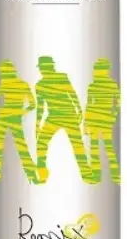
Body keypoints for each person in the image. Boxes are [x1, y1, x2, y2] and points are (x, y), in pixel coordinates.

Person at [35, 56, 93, 184]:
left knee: (76, 145)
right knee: (43, 143)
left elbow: (71, 93)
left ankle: (86, 174)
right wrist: (37, 125)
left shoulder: (57, 79)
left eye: (43, 68)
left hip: (67, 116)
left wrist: (79, 110)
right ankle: (43, 173)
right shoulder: (41, 85)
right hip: (58, 116)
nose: (42, 70)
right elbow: (41, 107)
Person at [0, 60, 38, 183]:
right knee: (21, 146)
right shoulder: (22, 84)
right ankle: (31, 175)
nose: (2, 75)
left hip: (3, 117)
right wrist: (22, 112)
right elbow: (33, 104)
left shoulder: (5, 83)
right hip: (14, 118)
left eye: (3, 72)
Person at [84, 58, 121, 184]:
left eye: (97, 70)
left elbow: (118, 103)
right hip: (98, 120)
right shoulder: (93, 86)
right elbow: (89, 105)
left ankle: (114, 175)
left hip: (103, 120)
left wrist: (113, 116)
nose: (95, 72)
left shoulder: (110, 85)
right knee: (97, 148)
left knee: (106, 147)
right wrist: (86, 124)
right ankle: (99, 175)